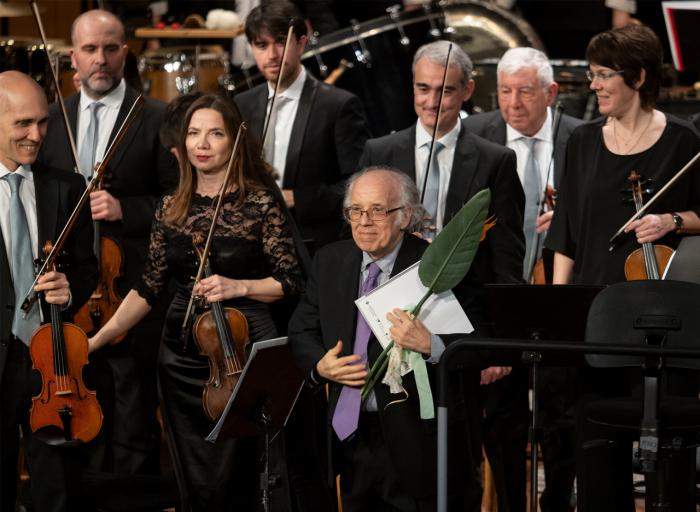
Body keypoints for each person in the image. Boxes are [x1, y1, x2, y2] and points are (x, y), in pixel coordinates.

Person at [88, 92, 304, 510]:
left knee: (242, 465)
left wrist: (239, 287)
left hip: (242, 347)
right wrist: (100, 337)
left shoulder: (259, 202)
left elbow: (290, 281)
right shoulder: (171, 206)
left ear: (234, 142)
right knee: (192, 469)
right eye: (193, 133)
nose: (202, 144)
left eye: (215, 134)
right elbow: (148, 288)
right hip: (182, 353)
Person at [546, 24, 700, 511]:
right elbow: (565, 233)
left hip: (662, 316)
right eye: (591, 74)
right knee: (595, 444)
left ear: (637, 76)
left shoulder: (683, 140)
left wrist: (672, 220)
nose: (593, 85)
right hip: (594, 313)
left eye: (602, 74)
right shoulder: (582, 142)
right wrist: (560, 307)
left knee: (671, 450)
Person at [289, 166, 486, 511]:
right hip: (348, 437)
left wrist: (431, 345)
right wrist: (321, 365)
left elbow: (482, 340)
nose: (364, 221)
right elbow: (301, 330)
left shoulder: (438, 263)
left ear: (404, 215)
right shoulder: (329, 260)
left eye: (378, 210)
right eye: (355, 211)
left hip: (417, 441)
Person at [37, 9, 179, 478]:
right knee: (78, 404)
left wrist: (127, 210)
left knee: (135, 408)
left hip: (133, 288)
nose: (101, 58)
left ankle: (134, 496)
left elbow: (179, 202)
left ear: (125, 53)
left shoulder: (157, 116)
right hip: (68, 293)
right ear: (72, 57)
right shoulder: (51, 119)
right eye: (91, 49)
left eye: (111, 48)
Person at [463, 46, 583, 512]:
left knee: (558, 412)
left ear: (551, 93)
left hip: (558, 293)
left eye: (525, 92)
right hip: (500, 297)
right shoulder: (475, 135)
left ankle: (556, 500)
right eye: (505, 92)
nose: (513, 103)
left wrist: (567, 220)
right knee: (504, 416)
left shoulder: (582, 138)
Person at [0, 71, 97, 512]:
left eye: (42, 123)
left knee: (57, 488)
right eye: (23, 123)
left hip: (51, 360)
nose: (36, 135)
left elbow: (88, 269)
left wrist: (69, 288)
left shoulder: (67, 186)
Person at [358, 40, 525, 295]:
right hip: (389, 294)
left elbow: (506, 253)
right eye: (423, 89)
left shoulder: (496, 161)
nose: (432, 102)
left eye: (445, 91)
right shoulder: (379, 153)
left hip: (466, 301)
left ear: (467, 90)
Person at [235, 0, 371, 252]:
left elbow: (359, 186)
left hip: (314, 246)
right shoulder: (241, 104)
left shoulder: (338, 105)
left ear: (301, 42)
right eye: (262, 45)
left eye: (281, 42)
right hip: (252, 245)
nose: (272, 55)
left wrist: (296, 198)